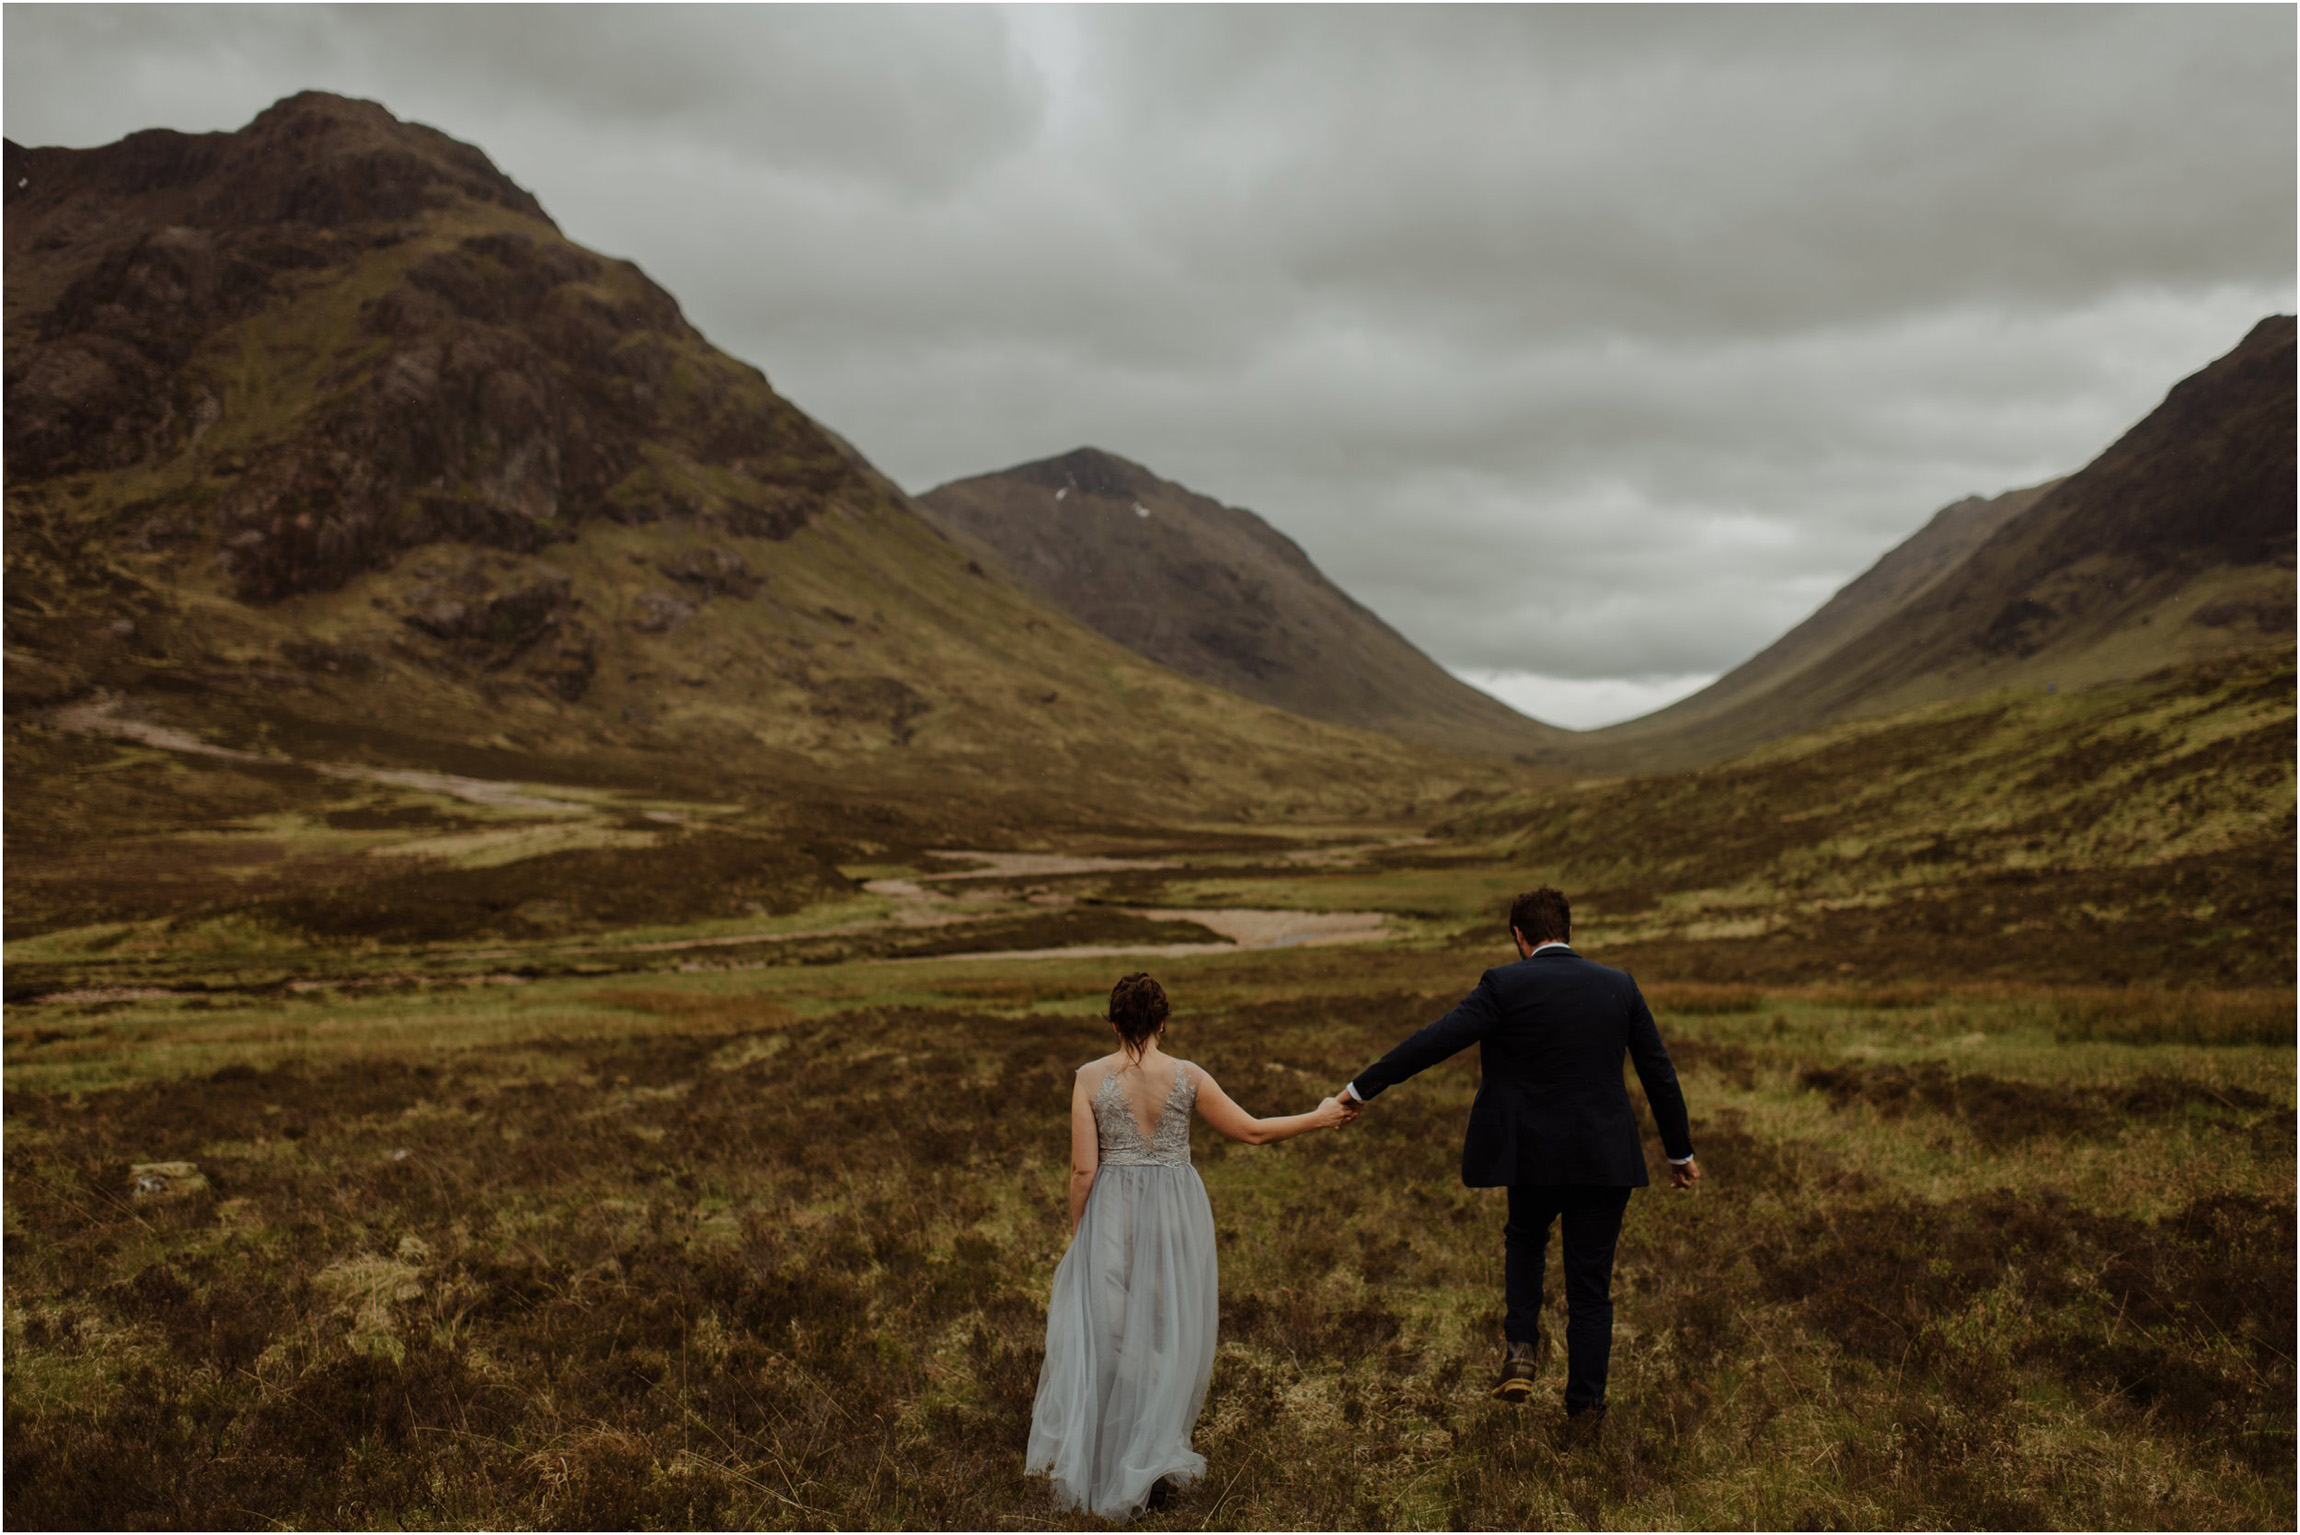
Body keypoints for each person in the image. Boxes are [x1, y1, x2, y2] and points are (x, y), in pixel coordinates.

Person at [1335, 886, 1697, 1426]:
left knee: (1526, 1239)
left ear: (1518, 936)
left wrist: (1361, 1089)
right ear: (1568, 931)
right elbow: (1659, 1075)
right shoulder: (1619, 986)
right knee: (1591, 1289)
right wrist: (1679, 1152)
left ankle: (1522, 1351)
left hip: (1532, 1158)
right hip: (1605, 1161)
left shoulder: (1504, 984)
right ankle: (1586, 1411)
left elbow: (1434, 1041)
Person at [1027, 972, 1352, 1520]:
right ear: (1162, 1022)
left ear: (1111, 1024)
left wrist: (1080, 1233)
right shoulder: (1188, 1075)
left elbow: (1084, 1169)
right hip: (1177, 1214)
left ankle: (1110, 1457)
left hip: (1112, 1213)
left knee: (1109, 1334)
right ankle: (1150, 1454)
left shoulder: (1088, 1079)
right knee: (1165, 1329)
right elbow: (1252, 1131)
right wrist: (1320, 1117)